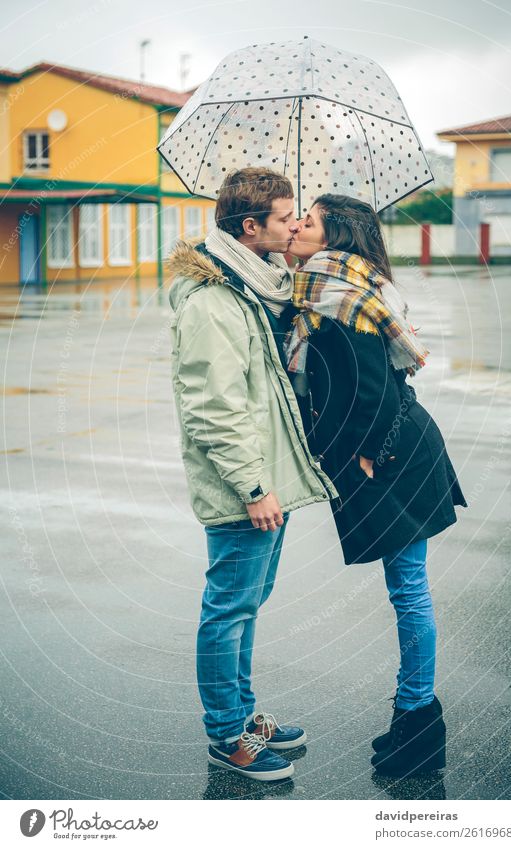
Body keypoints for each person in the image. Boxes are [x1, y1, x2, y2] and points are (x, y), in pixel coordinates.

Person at [285, 194, 467, 778]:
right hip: (391, 449)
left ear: (335, 234)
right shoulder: (317, 290)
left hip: (392, 455)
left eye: (306, 221)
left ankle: (417, 724)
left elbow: (371, 388)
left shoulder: (339, 294)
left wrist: (366, 454)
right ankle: (414, 720)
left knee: (409, 589)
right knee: (406, 588)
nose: (295, 226)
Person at [167, 168, 338, 781]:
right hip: (247, 487)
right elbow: (214, 406)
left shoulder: (258, 287)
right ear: (250, 227)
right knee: (229, 608)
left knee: (247, 603)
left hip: (267, 479)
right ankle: (226, 738)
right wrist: (254, 487)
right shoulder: (215, 301)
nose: (295, 225)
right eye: (284, 217)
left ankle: (242, 715)